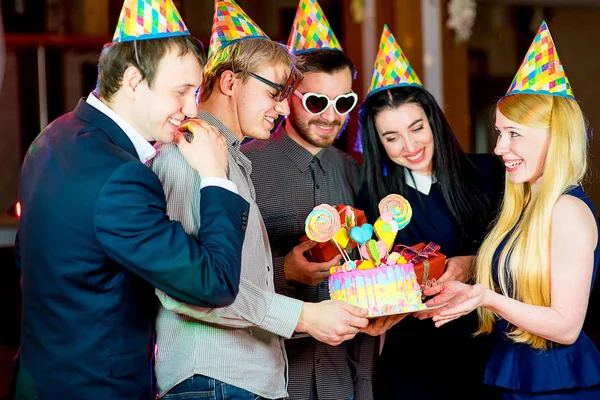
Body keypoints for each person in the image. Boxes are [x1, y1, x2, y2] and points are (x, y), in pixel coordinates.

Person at [12, 1, 249, 398]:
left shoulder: (52, 137)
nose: (193, 109)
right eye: (181, 92)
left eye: (197, 92)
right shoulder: (122, 175)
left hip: (40, 376)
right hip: (96, 386)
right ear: (134, 80)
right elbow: (213, 283)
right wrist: (214, 175)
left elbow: (27, 256)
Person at [149, 1, 369, 399]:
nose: (284, 108)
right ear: (231, 83)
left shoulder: (233, 158)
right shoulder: (191, 152)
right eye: (275, 92)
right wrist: (303, 315)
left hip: (248, 378)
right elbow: (188, 288)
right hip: (214, 378)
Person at [423, 21, 600, 399]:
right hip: (519, 373)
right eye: (500, 132)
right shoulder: (527, 205)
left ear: (556, 137)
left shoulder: (566, 210)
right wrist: (469, 266)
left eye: (514, 134)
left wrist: (485, 297)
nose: (500, 147)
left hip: (555, 383)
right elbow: (529, 266)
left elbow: (567, 326)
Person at [243, 2, 401, 399]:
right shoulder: (244, 165)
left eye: (343, 102)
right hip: (267, 378)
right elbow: (211, 277)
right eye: (316, 102)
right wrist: (286, 273)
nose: (330, 116)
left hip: (340, 380)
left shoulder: (359, 172)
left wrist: (363, 383)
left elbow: (370, 274)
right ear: (287, 97)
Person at [356, 25, 504, 400]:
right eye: (391, 138)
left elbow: (526, 255)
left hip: (487, 345)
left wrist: (473, 262)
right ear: (378, 143)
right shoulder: (375, 195)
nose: (409, 146)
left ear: (433, 122)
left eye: (416, 128)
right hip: (411, 355)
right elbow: (372, 276)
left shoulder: (490, 173)